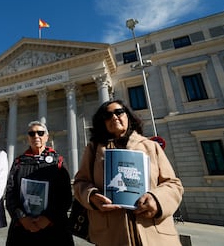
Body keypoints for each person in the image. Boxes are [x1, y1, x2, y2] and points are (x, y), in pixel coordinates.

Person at [73, 99, 184, 246]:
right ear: (103, 122)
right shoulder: (94, 149)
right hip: (110, 236)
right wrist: (92, 196)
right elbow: (80, 182)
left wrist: (156, 200)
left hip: (155, 234)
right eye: (107, 115)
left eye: (119, 112)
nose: (114, 117)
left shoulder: (150, 146)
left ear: (128, 116)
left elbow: (174, 184)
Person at [5, 121, 74, 246]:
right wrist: (22, 217)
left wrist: (48, 218)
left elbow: (65, 196)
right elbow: (11, 193)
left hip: (53, 227)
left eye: (40, 133)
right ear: (28, 138)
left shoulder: (57, 161)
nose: (36, 136)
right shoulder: (19, 162)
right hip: (23, 227)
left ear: (47, 137)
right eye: (32, 133)